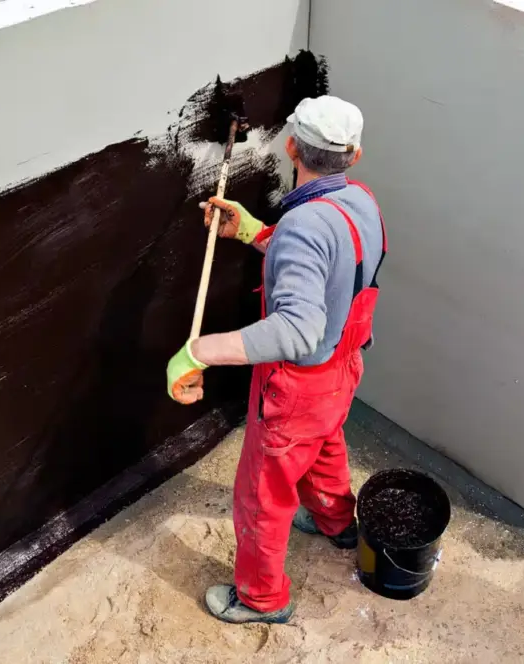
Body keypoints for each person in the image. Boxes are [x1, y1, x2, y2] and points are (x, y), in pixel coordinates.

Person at [165, 95, 387, 624]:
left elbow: (296, 330)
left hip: (297, 389)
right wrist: (253, 231)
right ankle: (337, 523)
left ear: (292, 147)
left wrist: (198, 351)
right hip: (343, 370)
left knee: (262, 497)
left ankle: (262, 598)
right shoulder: (360, 201)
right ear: (354, 155)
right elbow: (333, 270)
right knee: (325, 444)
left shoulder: (304, 226)